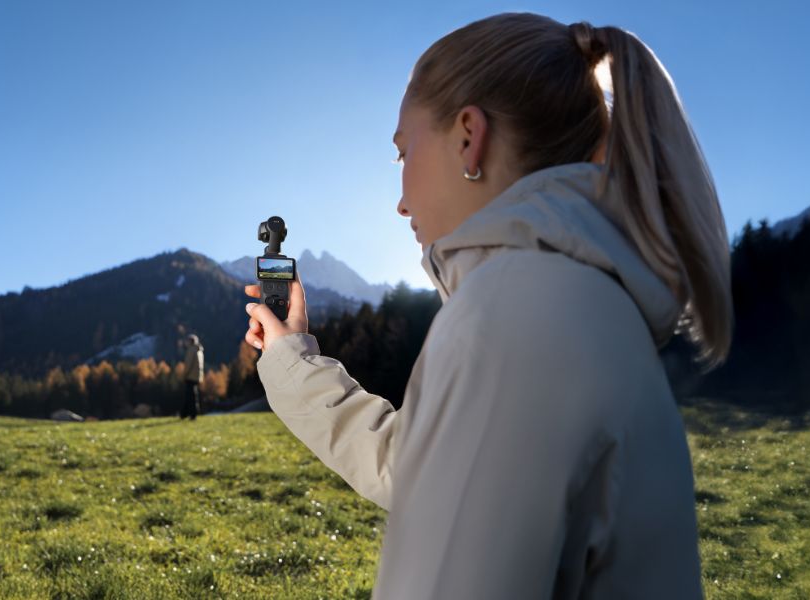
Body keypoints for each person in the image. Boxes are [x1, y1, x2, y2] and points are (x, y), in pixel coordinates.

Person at [242, 13, 730, 599]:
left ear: (469, 137)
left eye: (403, 154)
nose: (401, 202)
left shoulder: (511, 313)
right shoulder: (578, 304)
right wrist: (294, 361)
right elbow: (424, 471)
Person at [178, 333, 204, 420]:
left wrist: (184, 375)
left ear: (190, 342)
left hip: (190, 376)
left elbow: (188, 364)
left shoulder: (191, 350)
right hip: (197, 376)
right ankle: (184, 414)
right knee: (190, 395)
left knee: (190, 395)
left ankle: (192, 413)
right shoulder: (199, 350)